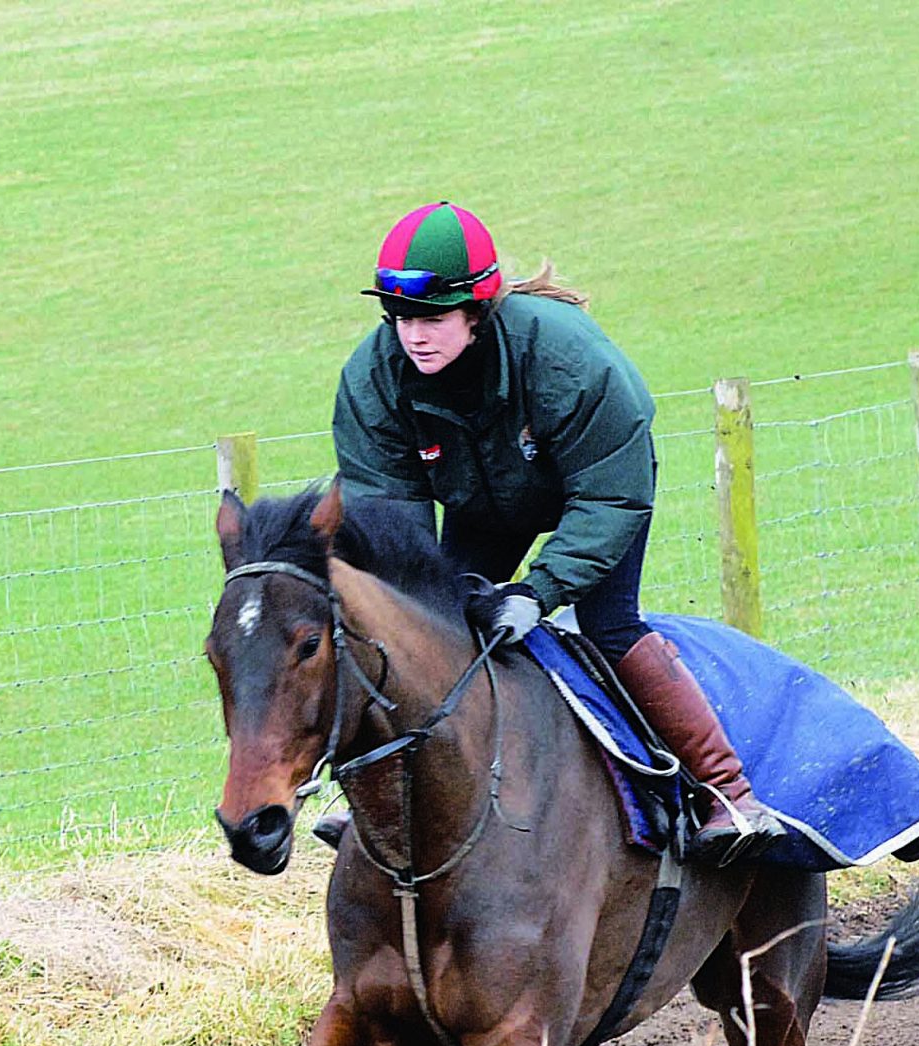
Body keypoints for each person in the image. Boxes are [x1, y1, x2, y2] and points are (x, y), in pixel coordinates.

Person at [328, 201, 780, 859]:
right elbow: (388, 524)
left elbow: (610, 497)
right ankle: (394, 806)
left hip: (596, 488)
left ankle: (730, 796)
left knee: (608, 626)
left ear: (478, 313)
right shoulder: (373, 379)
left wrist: (538, 591)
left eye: (432, 318)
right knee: (429, 626)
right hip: (483, 501)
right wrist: (419, 601)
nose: (413, 336)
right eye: (398, 319)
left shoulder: (569, 360)